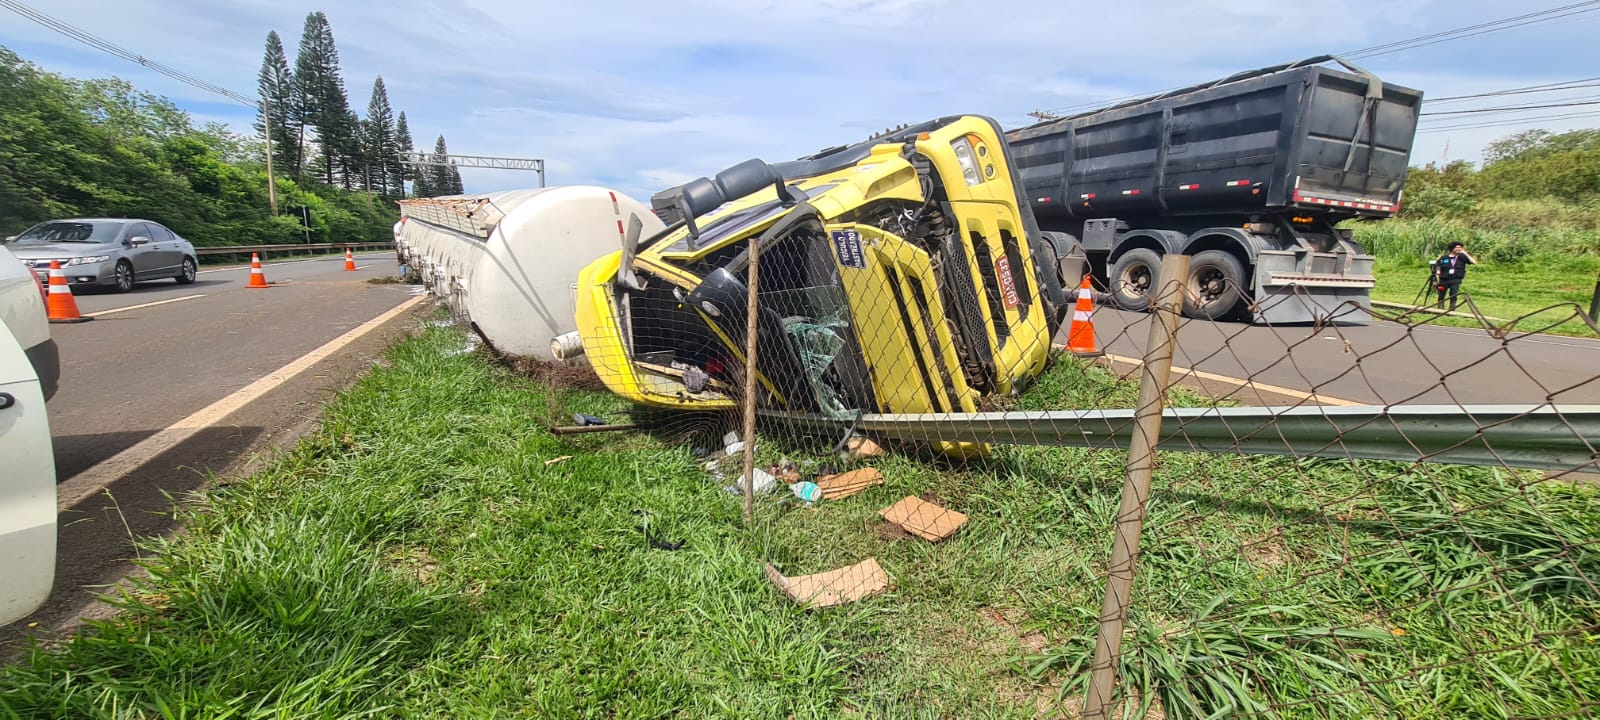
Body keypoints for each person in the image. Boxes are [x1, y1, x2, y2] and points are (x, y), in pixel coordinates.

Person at [1432, 242, 1478, 309]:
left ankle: (1451, 308)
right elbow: (1437, 269)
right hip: (1443, 280)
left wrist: (1465, 253)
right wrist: (1436, 280)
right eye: (1457, 247)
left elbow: (1474, 262)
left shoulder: (1462, 257)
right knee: (1441, 295)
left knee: (1453, 295)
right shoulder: (1443, 258)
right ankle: (1440, 309)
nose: (1459, 249)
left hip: (1455, 280)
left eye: (1460, 247)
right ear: (1452, 248)